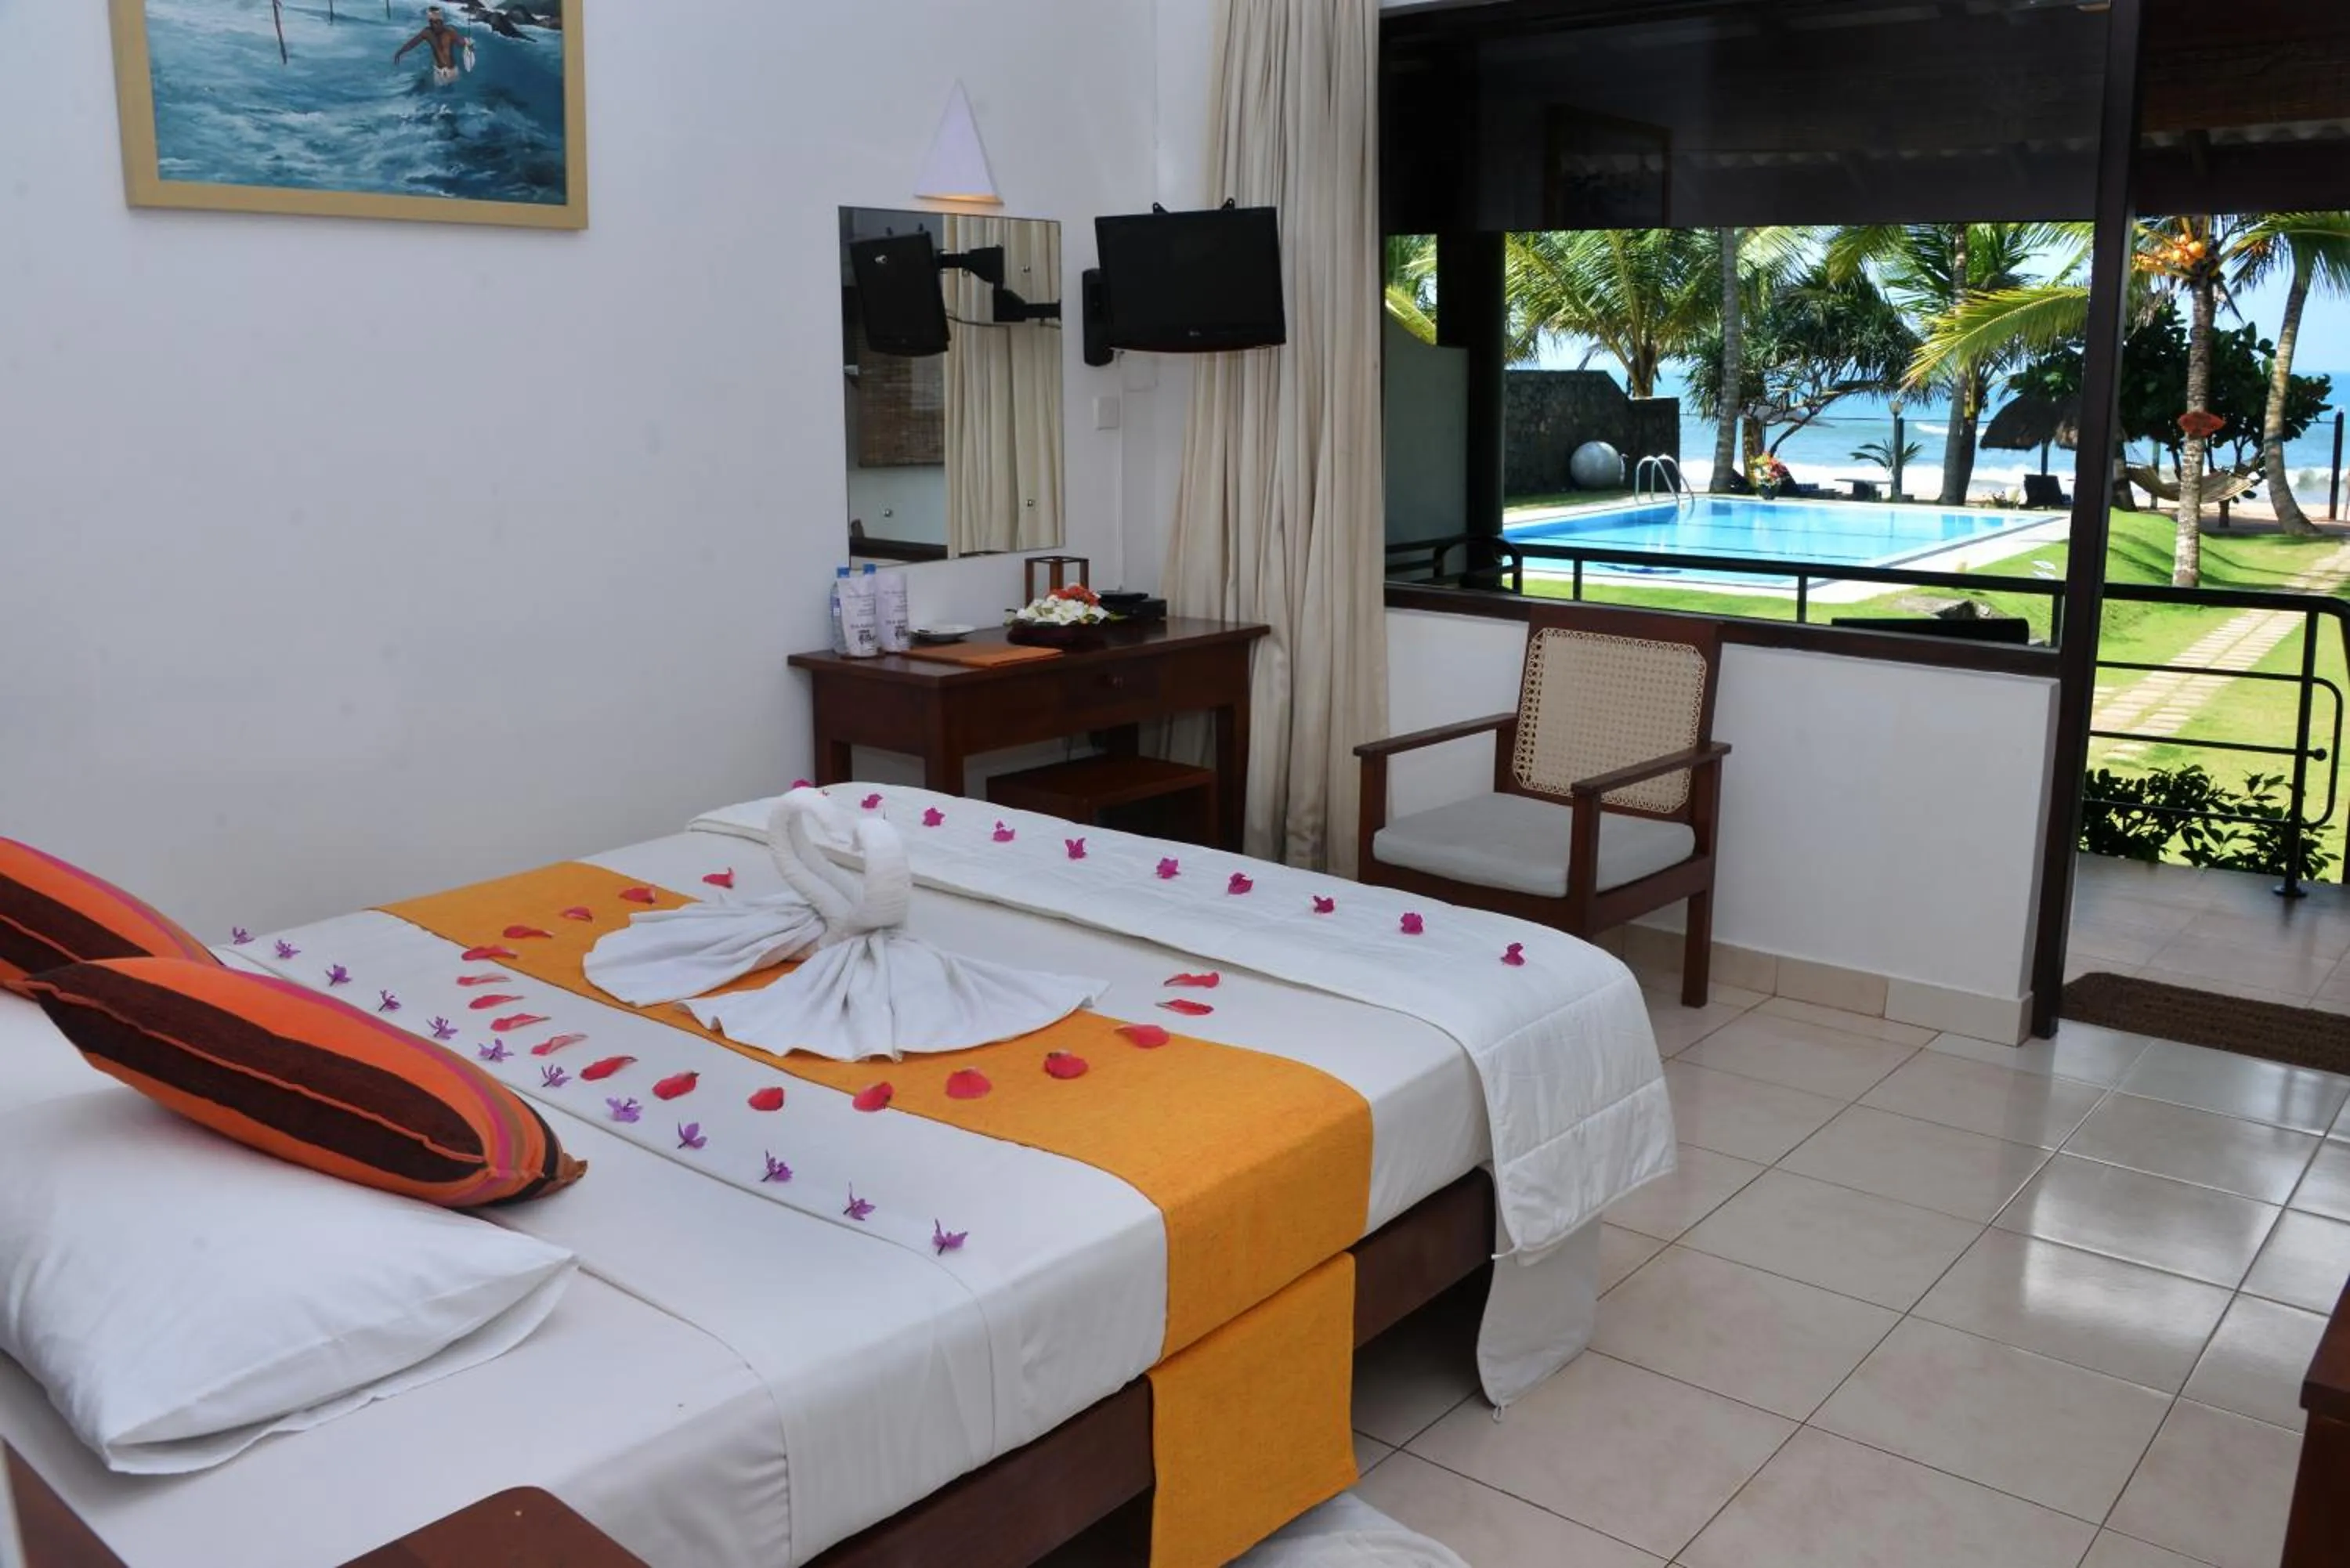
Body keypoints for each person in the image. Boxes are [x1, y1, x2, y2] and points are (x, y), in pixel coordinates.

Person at [393, 7, 471, 86]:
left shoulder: (450, 32)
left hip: (452, 71)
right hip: (439, 72)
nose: (434, 25)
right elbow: (412, 43)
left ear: (442, 21)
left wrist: (468, 44)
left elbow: (461, 43)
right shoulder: (428, 33)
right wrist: (400, 52)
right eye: (431, 22)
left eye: (437, 22)